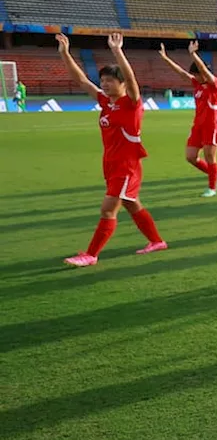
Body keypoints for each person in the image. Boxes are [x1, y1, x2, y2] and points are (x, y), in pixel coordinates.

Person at [56, 32, 168, 265]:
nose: (105, 84)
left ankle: (91, 255)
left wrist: (117, 50)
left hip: (127, 165)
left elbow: (133, 80)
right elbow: (82, 81)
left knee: (108, 209)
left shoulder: (132, 104)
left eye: (110, 81)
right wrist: (65, 54)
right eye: (103, 80)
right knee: (131, 203)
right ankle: (157, 241)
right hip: (111, 163)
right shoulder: (106, 102)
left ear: (122, 84)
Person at [157, 40, 217, 197]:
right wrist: (166, 58)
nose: (194, 77)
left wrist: (193, 54)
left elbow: (203, 70)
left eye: (196, 74)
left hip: (212, 126)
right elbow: (181, 73)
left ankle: (212, 187)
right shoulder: (197, 84)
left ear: (202, 73)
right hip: (198, 125)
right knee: (191, 156)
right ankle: (215, 174)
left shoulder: (215, 85)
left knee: (210, 156)